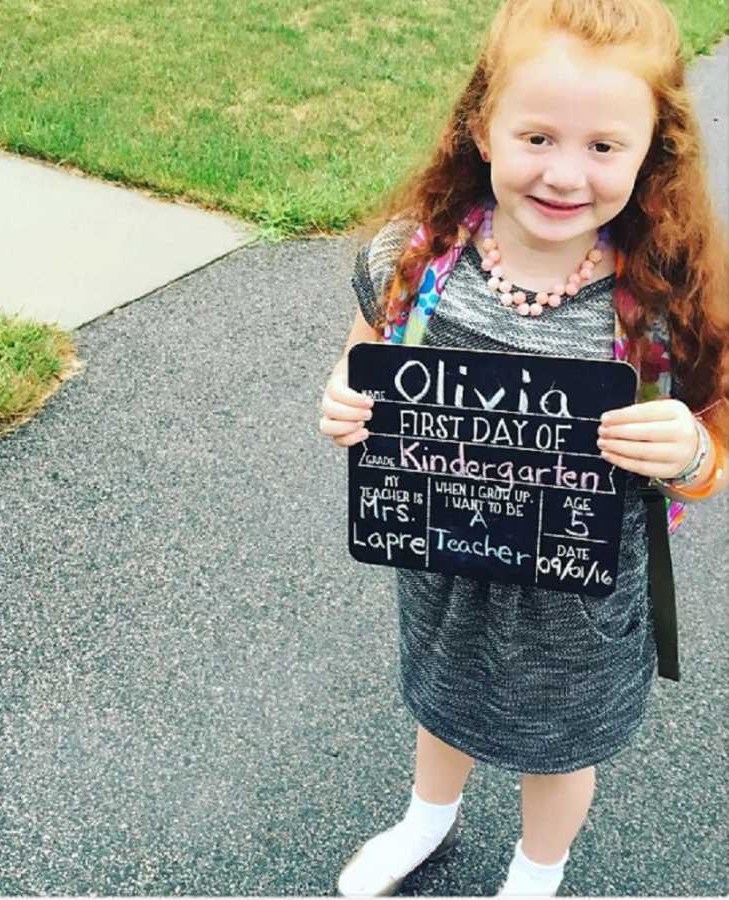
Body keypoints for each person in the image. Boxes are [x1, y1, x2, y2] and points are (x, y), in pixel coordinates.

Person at [318, 0, 729, 895]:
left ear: (653, 146)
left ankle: (536, 873)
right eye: (537, 136)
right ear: (482, 125)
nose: (565, 175)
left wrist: (690, 451)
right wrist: (348, 397)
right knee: (442, 700)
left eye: (603, 147)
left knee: (561, 747)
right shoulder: (415, 257)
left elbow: (716, 438)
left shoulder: (667, 297)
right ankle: (427, 819)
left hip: (579, 598)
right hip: (444, 562)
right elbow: (365, 351)